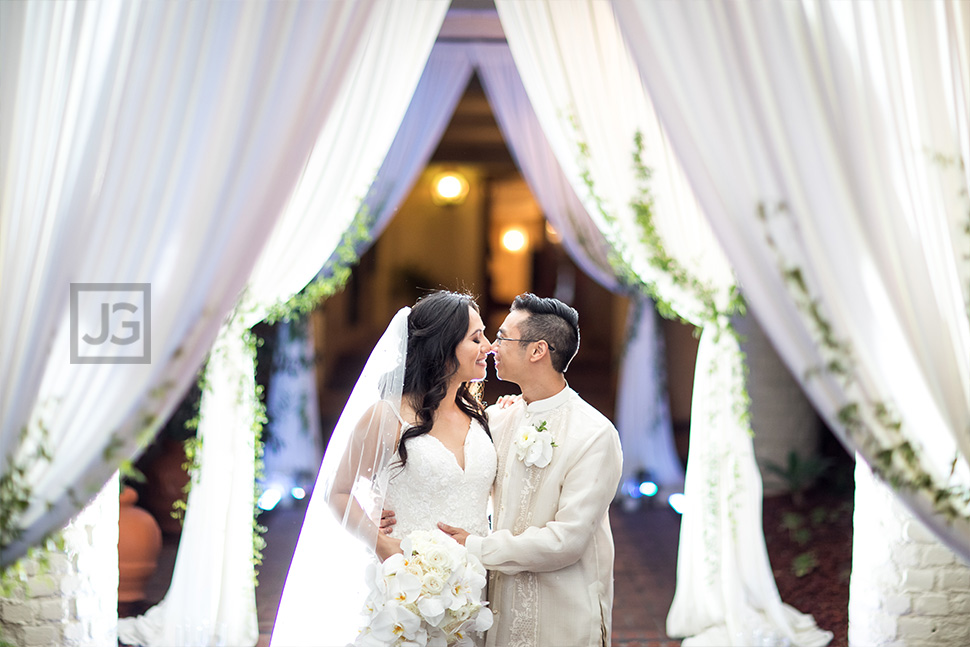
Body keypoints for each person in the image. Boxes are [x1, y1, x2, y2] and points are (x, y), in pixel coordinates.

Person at [270, 290, 497, 646]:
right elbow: (337, 490)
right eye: (476, 338)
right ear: (443, 346)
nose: (489, 345)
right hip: (409, 589)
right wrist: (380, 543)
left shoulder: (482, 417)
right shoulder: (386, 416)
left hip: (479, 589)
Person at [437, 293, 623, 647]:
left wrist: (476, 546)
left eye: (503, 338)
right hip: (497, 612)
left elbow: (566, 541)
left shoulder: (594, 434)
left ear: (538, 351)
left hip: (562, 617)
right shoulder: (498, 418)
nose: (491, 347)